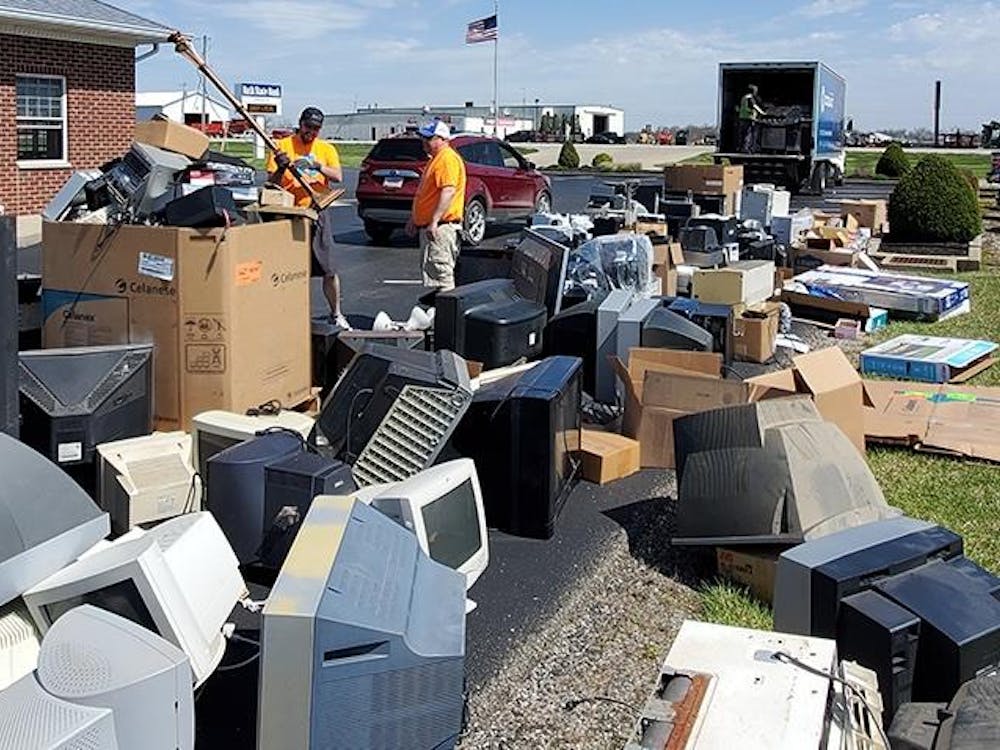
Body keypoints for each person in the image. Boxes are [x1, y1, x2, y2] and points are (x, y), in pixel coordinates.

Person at [265, 107, 349, 328]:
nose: (311, 132)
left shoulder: (325, 149)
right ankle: (286, 313)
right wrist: (282, 168)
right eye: (308, 127)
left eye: (316, 129)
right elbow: (271, 184)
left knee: (329, 269)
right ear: (300, 123)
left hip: (317, 211)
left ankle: (336, 313)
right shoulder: (282, 146)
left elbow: (338, 176)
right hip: (289, 213)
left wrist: (317, 166)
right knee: (289, 270)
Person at [406, 120, 466, 291]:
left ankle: (446, 315)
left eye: (429, 138)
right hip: (433, 226)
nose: (424, 142)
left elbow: (448, 191)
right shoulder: (435, 160)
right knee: (436, 275)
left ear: (442, 138)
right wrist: (415, 218)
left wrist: (434, 221)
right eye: (423, 138)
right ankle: (439, 313)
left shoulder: (447, 159)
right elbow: (427, 194)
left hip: (441, 227)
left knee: (442, 275)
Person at [738, 85, 766, 154]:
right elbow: (754, 106)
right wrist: (762, 113)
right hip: (748, 118)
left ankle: (741, 148)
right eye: (755, 91)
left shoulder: (743, 97)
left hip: (742, 117)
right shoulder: (750, 98)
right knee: (748, 134)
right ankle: (746, 149)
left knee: (742, 134)